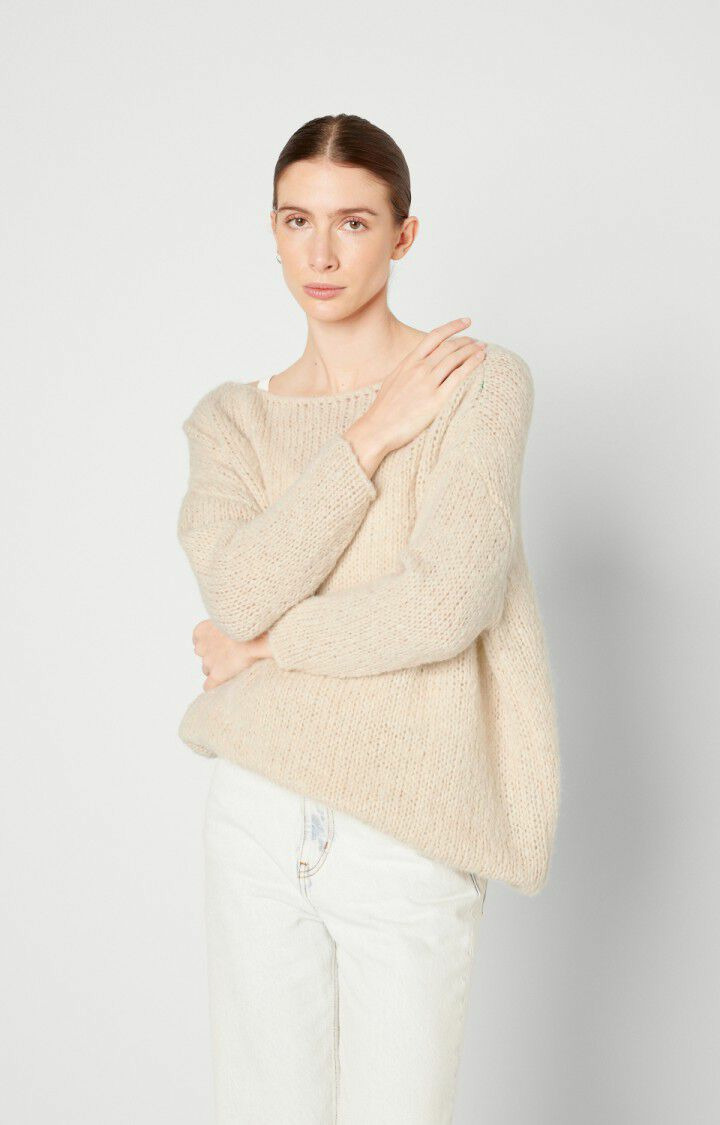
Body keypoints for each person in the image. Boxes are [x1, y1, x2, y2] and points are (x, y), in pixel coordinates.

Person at [176, 113, 561, 1125]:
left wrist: (268, 648)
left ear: (403, 235)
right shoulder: (229, 421)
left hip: (408, 817)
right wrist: (373, 433)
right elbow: (238, 592)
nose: (322, 252)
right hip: (257, 813)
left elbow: (442, 604)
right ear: (272, 231)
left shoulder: (480, 384)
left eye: (353, 222)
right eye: (297, 220)